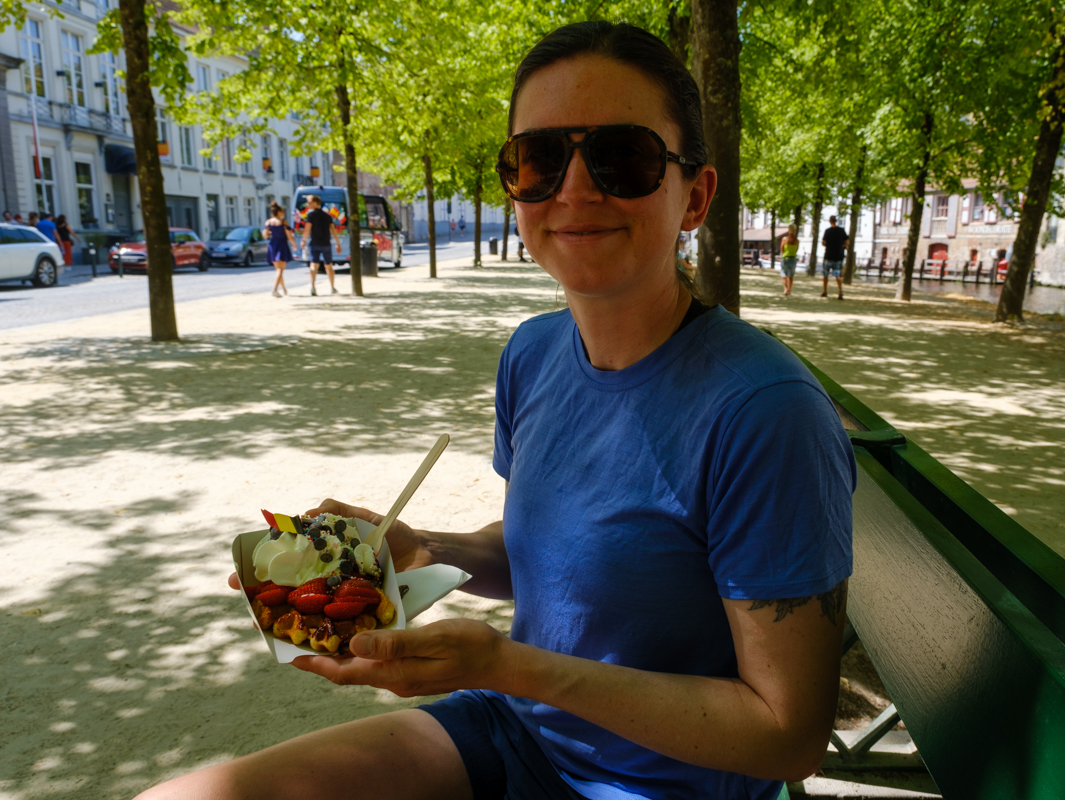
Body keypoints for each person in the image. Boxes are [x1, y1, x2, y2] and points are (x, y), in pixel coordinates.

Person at [138, 21, 853, 800]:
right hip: (518, 730)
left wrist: (506, 666)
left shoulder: (766, 413)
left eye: (623, 157)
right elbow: (550, 566)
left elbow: (787, 736)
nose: (574, 190)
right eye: (538, 159)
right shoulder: (533, 353)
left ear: (696, 197)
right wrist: (420, 548)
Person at [300, 194, 341, 296]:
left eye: (309, 203)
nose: (308, 205)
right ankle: (332, 287)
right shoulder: (327, 216)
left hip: (314, 243)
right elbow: (333, 230)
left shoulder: (311, 216)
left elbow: (307, 230)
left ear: (315, 203)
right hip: (326, 243)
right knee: (329, 266)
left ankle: (312, 287)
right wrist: (337, 243)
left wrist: (303, 240)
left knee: (313, 265)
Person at [264, 201, 297, 298]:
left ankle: (284, 289)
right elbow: (289, 236)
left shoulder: (268, 222)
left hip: (272, 245)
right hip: (282, 245)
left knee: (278, 270)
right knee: (280, 270)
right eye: (283, 211)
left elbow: (265, 235)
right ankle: (274, 290)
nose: (284, 213)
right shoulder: (283, 222)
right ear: (279, 212)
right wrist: (294, 245)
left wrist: (270, 233)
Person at [820, 215, 848, 300]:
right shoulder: (841, 230)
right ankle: (840, 291)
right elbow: (847, 242)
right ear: (836, 221)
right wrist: (841, 246)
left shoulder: (827, 231)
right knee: (838, 275)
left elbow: (824, 243)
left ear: (830, 221)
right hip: (838, 256)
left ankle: (825, 291)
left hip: (828, 255)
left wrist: (829, 245)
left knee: (825, 275)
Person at [779, 223, 800, 296]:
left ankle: (785, 289)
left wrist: (784, 254)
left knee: (783, 274)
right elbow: (796, 250)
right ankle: (789, 290)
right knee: (791, 276)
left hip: (785, 258)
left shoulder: (784, 239)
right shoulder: (797, 240)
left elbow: (781, 249)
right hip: (793, 259)